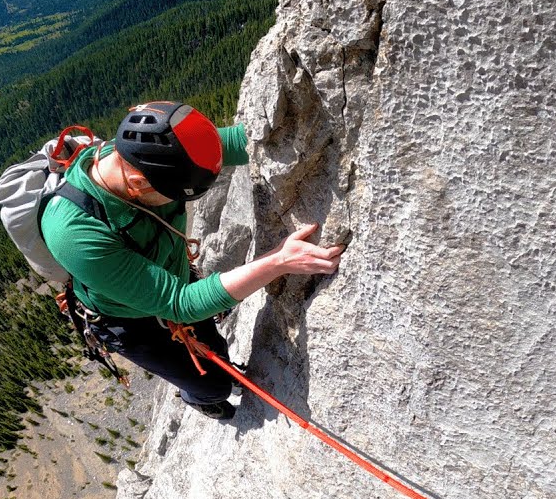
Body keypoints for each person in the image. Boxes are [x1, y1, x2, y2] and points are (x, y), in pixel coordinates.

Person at [40, 101, 343, 419]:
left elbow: (243, 142)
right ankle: (201, 398)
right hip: (128, 321)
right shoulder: (73, 232)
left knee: (216, 350)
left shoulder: (163, 154)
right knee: (211, 385)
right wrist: (278, 261)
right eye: (181, 195)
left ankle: (218, 375)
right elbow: (180, 303)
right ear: (139, 185)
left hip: (176, 279)